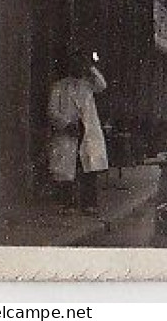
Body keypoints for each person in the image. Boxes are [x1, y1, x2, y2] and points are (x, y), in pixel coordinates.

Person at [47, 50, 108, 213]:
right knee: (67, 171)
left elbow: (103, 85)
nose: (77, 67)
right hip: (69, 131)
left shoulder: (88, 84)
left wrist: (90, 67)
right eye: (74, 64)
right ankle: (69, 204)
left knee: (88, 168)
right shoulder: (60, 87)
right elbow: (52, 111)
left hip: (87, 131)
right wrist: (66, 124)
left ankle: (90, 204)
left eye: (80, 64)